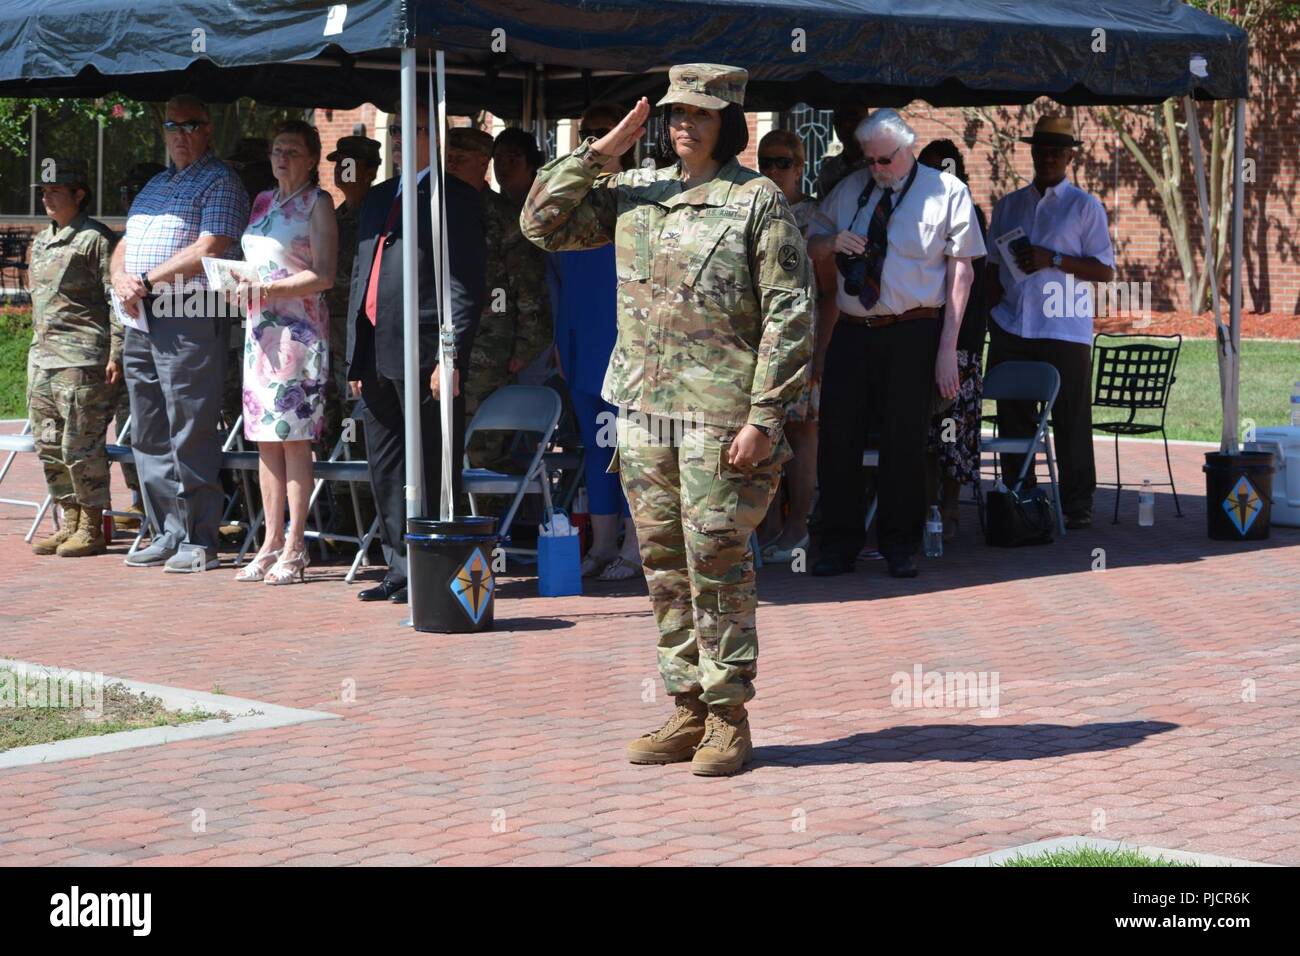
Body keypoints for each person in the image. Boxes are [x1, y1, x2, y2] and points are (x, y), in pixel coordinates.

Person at [522, 65, 814, 776]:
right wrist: (599, 153)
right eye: (677, 113)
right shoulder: (635, 191)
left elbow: (790, 313)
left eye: (701, 115)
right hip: (645, 409)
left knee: (715, 558)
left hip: (720, 414)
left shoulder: (756, 201)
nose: (685, 124)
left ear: (728, 124)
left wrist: (764, 416)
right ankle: (686, 706)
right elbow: (539, 223)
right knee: (661, 563)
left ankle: (729, 716)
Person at [807, 108, 984, 579]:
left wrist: (948, 348)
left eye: (886, 160)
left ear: (908, 148)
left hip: (913, 328)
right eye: (871, 161)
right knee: (837, 438)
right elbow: (810, 242)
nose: (878, 169)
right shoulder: (852, 190)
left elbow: (961, 271)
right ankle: (838, 544)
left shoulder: (947, 192)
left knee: (904, 442)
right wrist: (831, 245)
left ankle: (900, 545)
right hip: (852, 327)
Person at [344, 93, 487, 605]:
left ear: (437, 139)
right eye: (397, 131)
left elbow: (465, 286)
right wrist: (355, 357)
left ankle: (432, 567)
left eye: (414, 130)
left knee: (427, 463)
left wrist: (450, 356)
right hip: (376, 351)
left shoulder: (457, 198)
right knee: (384, 465)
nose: (401, 141)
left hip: (426, 351)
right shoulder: (380, 197)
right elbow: (363, 275)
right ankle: (399, 568)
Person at [110, 94, 250, 572]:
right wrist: (120, 279)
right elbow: (125, 241)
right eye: (173, 125)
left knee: (189, 426)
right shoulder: (154, 183)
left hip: (188, 311)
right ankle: (165, 530)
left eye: (191, 125)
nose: (180, 135)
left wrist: (146, 281)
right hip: (140, 317)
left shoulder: (221, 180)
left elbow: (211, 246)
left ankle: (199, 537)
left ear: (208, 129)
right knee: (148, 430)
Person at [985, 115, 1115, 530]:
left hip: (1062, 327)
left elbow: (1105, 270)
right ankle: (1019, 494)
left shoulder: (1084, 206)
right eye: (1042, 150)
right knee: (1014, 415)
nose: (1049, 157)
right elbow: (991, 267)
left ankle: (1078, 504)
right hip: (1012, 323)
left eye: (1057, 151)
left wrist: (1052, 259)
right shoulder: (1008, 206)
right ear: (1033, 152)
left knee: (1071, 419)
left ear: (1070, 156)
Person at [233, 120, 337, 584]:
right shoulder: (262, 201)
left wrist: (268, 289)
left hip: (298, 336)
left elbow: (325, 275)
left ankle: (296, 546)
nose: (282, 158)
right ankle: (269, 540)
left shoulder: (319, 204)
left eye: (293, 151)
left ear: (312, 158)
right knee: (264, 440)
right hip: (259, 334)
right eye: (277, 150)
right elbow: (255, 261)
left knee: (293, 439)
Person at [546, 103, 641, 582]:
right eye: (588, 134)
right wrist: (561, 341)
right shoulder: (569, 203)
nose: (598, 141)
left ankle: (635, 544)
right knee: (597, 446)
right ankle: (603, 544)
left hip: (629, 342)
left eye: (606, 133)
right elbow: (555, 283)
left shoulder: (641, 196)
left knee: (634, 447)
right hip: (582, 341)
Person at [26, 158, 120, 558]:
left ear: (79, 194)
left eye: (56, 191)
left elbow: (116, 300)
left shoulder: (95, 239)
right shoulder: (41, 240)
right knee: (48, 444)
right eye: (44, 192)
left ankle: (92, 525)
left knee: (80, 446)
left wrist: (117, 350)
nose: (47, 198)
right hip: (43, 359)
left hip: (82, 359)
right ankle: (70, 520)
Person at [754, 129, 829, 563]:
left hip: (801, 342)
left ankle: (799, 525)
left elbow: (832, 291)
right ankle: (768, 527)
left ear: (800, 167)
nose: (773, 170)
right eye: (766, 162)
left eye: (783, 162)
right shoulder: (752, 207)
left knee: (802, 434)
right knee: (764, 432)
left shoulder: (815, 217)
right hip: (758, 344)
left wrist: (820, 353)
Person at [918, 139, 989, 541]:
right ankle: (929, 510)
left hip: (961, 344)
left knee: (956, 432)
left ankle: (950, 508)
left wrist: (960, 344)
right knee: (929, 433)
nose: (936, 177)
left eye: (943, 169)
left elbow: (969, 282)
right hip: (923, 340)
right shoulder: (915, 214)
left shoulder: (970, 214)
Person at [109, 160, 165, 533]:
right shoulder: (126, 237)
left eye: (136, 191)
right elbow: (111, 301)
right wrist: (114, 351)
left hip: (170, 341)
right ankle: (139, 498)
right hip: (130, 341)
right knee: (131, 429)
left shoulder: (156, 236)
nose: (130, 199)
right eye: (126, 193)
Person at [321, 134, 381, 455]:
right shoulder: (333, 216)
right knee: (328, 411)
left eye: (350, 164)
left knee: (355, 415)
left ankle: (358, 494)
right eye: (338, 164)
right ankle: (334, 498)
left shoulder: (383, 214)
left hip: (362, 333)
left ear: (371, 171)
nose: (342, 170)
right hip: (329, 327)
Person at [489, 128, 553, 386]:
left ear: (531, 163)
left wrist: (528, 345)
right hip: (504, 332)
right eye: (498, 159)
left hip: (541, 330)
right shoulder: (495, 208)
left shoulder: (545, 207)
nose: (503, 166)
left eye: (512, 158)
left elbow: (535, 284)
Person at [816, 99, 870, 199]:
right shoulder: (829, 171)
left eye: (853, 119)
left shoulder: (878, 166)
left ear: (867, 122)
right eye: (839, 120)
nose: (846, 125)